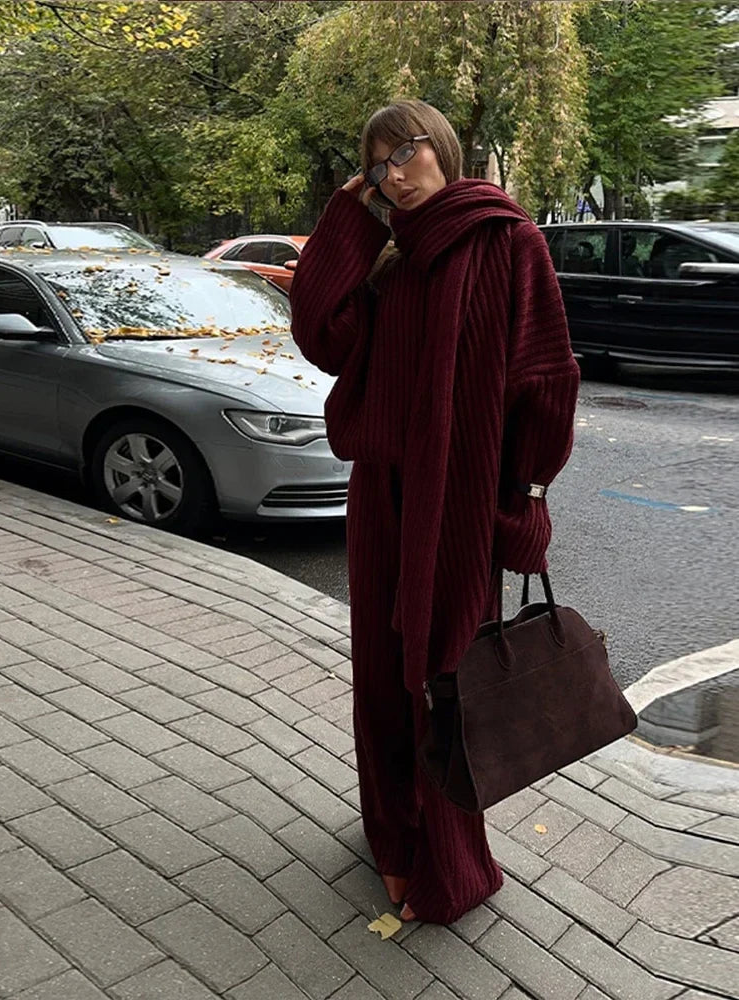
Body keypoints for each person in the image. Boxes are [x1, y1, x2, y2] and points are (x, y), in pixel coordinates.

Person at [289, 100, 580, 925]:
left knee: (444, 677)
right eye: (376, 166)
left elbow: (545, 381)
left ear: (442, 148)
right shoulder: (391, 260)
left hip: (459, 502)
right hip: (381, 495)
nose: (394, 175)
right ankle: (392, 834)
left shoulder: (507, 239)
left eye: (405, 152)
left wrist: (527, 499)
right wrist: (347, 218)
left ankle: (451, 862)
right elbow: (321, 335)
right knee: (382, 675)